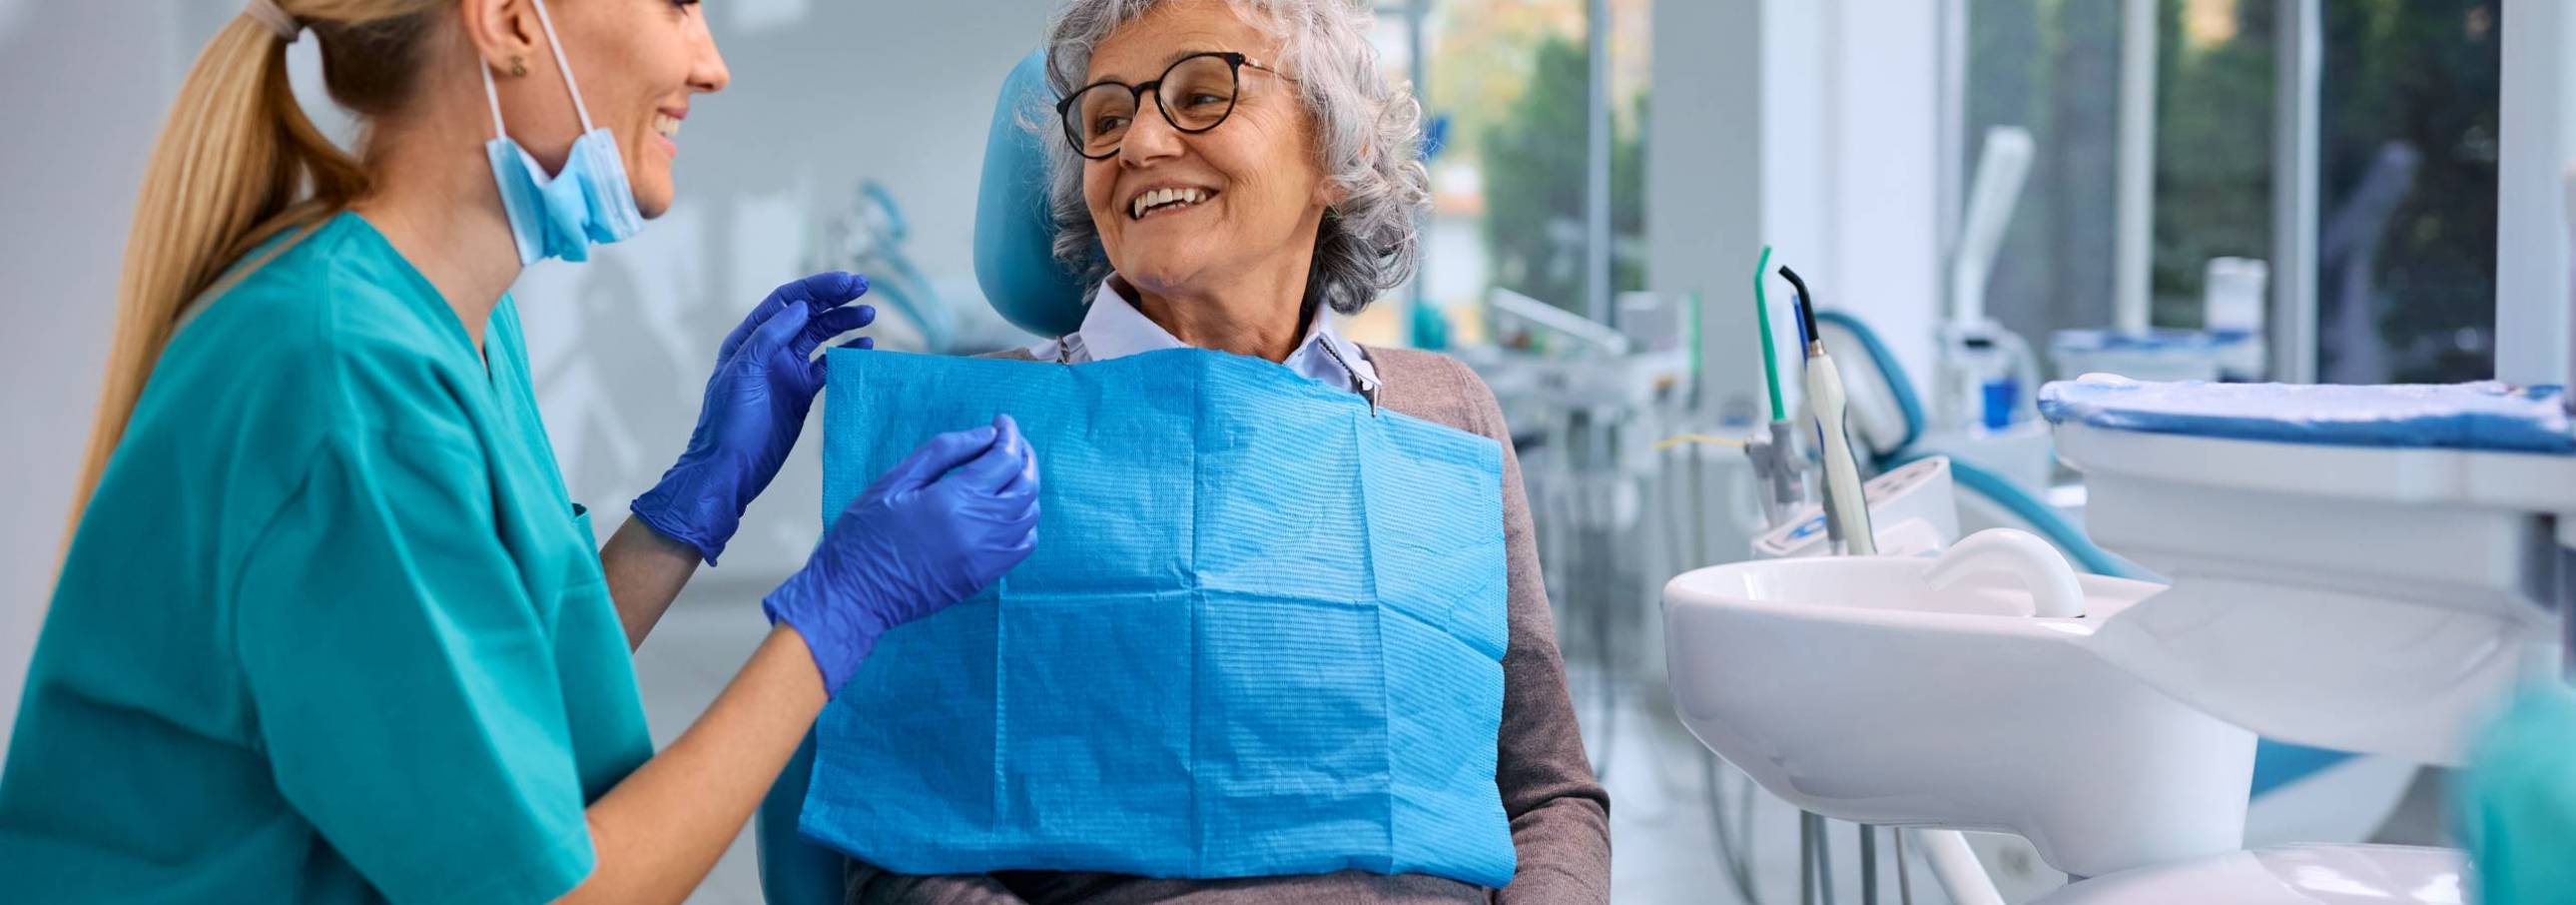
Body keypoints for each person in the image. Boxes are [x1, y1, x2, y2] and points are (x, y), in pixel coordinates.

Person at [0, 1, 1038, 902]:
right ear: (507, 20)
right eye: (677, 3)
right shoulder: (345, 381)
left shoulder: (448, 321)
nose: (712, 63)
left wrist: (693, 503)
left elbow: (493, 682)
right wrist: (842, 607)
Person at [842, 0, 1610, 902]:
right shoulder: (972, 443)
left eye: (1202, 95)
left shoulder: (1445, 414)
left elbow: (1548, 795)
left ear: (1340, 151)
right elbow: (904, 852)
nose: (1140, 144)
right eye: (1107, 118)